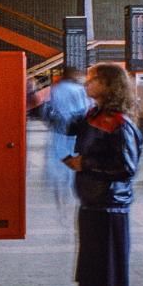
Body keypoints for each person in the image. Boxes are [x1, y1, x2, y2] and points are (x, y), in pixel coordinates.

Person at [65, 63, 142, 286]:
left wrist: (87, 166)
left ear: (109, 85)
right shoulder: (93, 116)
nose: (87, 83)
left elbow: (127, 168)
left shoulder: (120, 124)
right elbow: (67, 126)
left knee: (114, 274)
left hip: (112, 206)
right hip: (92, 204)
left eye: (94, 79)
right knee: (99, 274)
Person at [39, 66, 90, 216]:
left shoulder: (56, 88)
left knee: (58, 162)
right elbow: (85, 109)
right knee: (72, 164)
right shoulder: (79, 89)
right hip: (74, 132)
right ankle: (70, 196)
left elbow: (49, 108)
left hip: (58, 131)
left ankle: (60, 199)